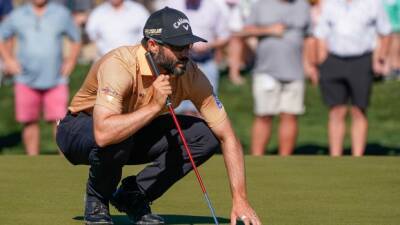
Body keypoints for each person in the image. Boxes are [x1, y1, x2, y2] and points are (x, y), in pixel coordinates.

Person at [56, 7, 261, 225]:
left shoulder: (189, 73)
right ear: (153, 45)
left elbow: (228, 136)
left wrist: (240, 200)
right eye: (178, 46)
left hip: (131, 132)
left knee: (205, 135)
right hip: (79, 130)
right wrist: (154, 106)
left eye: (188, 45)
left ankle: (133, 194)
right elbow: (104, 134)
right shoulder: (120, 64)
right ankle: (96, 202)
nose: (186, 52)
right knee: (118, 136)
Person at [0, 0, 81, 156]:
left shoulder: (61, 13)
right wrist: (8, 60)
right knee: (29, 122)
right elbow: (2, 36)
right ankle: (33, 161)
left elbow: (76, 38)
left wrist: (71, 61)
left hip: (56, 79)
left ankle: (63, 161)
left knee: (60, 123)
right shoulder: (17, 15)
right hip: (25, 80)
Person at [312, 0, 391, 156]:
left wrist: (380, 58)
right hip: (334, 59)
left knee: (358, 110)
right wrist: (321, 60)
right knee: (336, 110)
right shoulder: (330, 4)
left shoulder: (373, 4)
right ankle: (335, 157)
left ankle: (358, 157)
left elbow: (385, 32)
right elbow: (320, 33)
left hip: (362, 59)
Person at [242, 0, 311, 156]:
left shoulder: (303, 5)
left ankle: (284, 160)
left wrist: (309, 64)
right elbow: (244, 31)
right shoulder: (261, 5)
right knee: (264, 115)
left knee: (290, 115)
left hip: (295, 71)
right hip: (266, 71)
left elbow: (308, 37)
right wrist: (268, 30)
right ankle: (257, 158)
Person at [158, 0, 231, 116]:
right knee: (178, 108)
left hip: (206, 62)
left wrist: (209, 45)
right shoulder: (172, 5)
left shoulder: (213, 7)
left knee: (207, 107)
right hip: (178, 64)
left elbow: (225, 36)